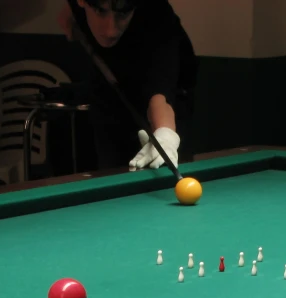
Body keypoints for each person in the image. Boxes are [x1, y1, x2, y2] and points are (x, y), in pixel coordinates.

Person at [58, 0, 198, 171]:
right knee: (111, 166)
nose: (110, 30)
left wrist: (165, 135)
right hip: (110, 85)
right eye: (100, 11)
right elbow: (67, 13)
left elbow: (159, 99)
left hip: (169, 91)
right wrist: (70, 17)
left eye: (123, 14)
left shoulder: (159, 22)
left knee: (163, 162)